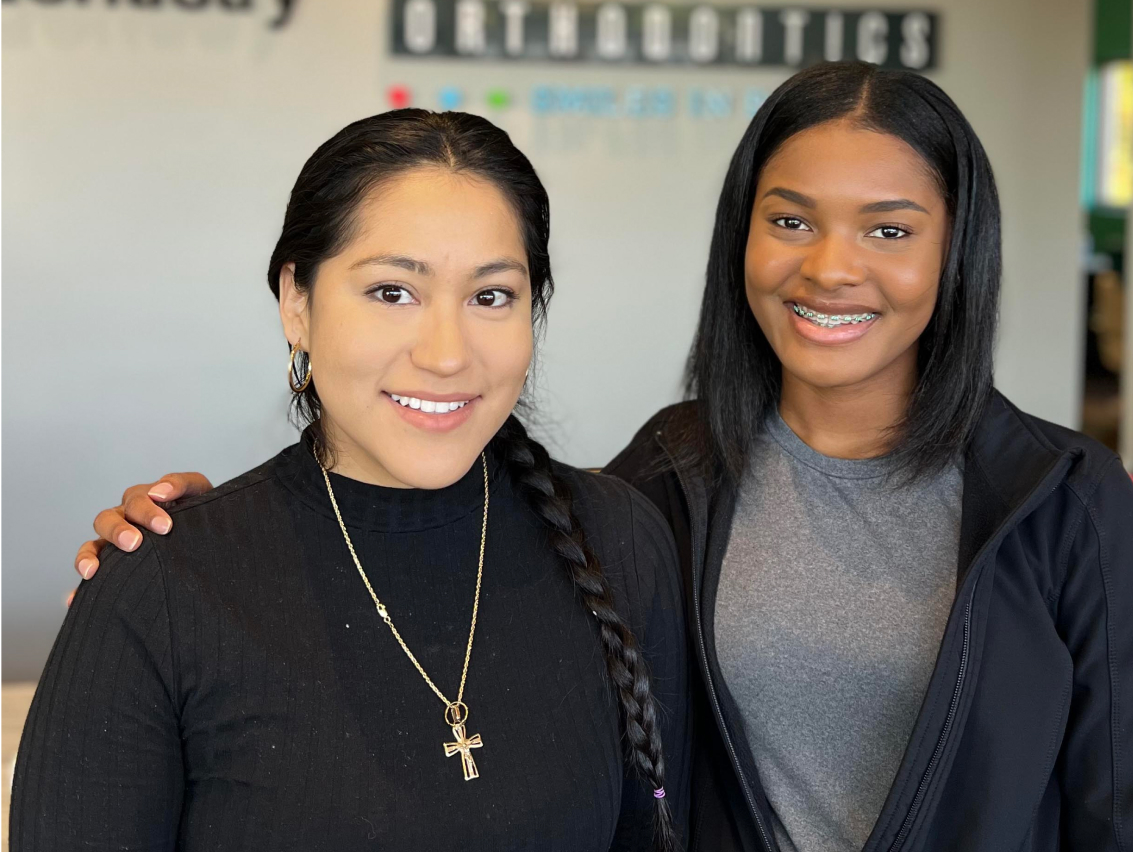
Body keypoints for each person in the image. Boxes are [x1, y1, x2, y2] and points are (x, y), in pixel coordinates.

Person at [69, 62, 1133, 851]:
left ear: (957, 252)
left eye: (889, 227)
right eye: (789, 219)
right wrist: (192, 549)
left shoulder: (1061, 505)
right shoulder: (664, 489)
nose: (831, 268)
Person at [15, 110, 689, 851]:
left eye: (491, 296)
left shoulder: (620, 541)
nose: (445, 353)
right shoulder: (165, 588)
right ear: (296, 303)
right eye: (392, 292)